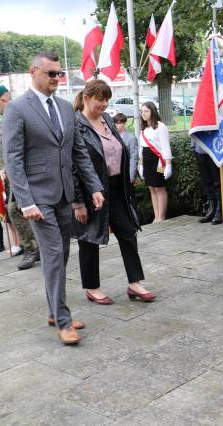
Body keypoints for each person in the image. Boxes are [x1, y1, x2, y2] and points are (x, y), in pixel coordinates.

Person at [1, 51, 105, 345]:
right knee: (55, 254)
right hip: (38, 199)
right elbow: (13, 159)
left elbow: (79, 153)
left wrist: (94, 187)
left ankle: (53, 309)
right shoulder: (17, 109)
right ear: (32, 71)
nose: (56, 79)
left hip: (64, 195)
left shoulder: (64, 108)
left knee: (60, 254)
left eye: (59, 74)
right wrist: (25, 202)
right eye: (50, 74)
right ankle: (62, 320)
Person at [72, 80, 155, 304]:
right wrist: (78, 202)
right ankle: (92, 287)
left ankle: (134, 283)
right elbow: (72, 166)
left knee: (128, 232)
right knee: (89, 239)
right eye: (100, 99)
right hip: (91, 191)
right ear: (87, 98)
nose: (105, 104)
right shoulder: (75, 125)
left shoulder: (107, 119)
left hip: (117, 187)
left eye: (107, 99)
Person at [0, 84, 39, 269]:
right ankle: (34, 248)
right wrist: (1, 168)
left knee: (15, 209)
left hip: (22, 173)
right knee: (16, 210)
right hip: (11, 176)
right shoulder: (3, 121)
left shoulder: (20, 116)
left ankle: (32, 249)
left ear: (3, 100)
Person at [139, 101, 172, 223]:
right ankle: (156, 216)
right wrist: (141, 165)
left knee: (159, 187)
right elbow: (141, 148)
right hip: (147, 161)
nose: (143, 114)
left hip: (159, 162)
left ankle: (161, 217)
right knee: (151, 188)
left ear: (152, 111)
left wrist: (168, 165)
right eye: (142, 111)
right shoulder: (144, 129)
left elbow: (165, 147)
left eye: (146, 111)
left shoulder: (160, 126)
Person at [192, 136, 222, 224]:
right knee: (207, 181)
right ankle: (212, 209)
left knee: (218, 181)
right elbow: (195, 124)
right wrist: (193, 145)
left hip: (216, 147)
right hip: (200, 147)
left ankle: (219, 210)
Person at [112, 113, 139, 184]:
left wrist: (131, 176)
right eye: (115, 123)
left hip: (126, 172)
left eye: (119, 123)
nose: (116, 125)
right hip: (114, 174)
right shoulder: (111, 137)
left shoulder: (131, 138)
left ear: (124, 123)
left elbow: (134, 158)